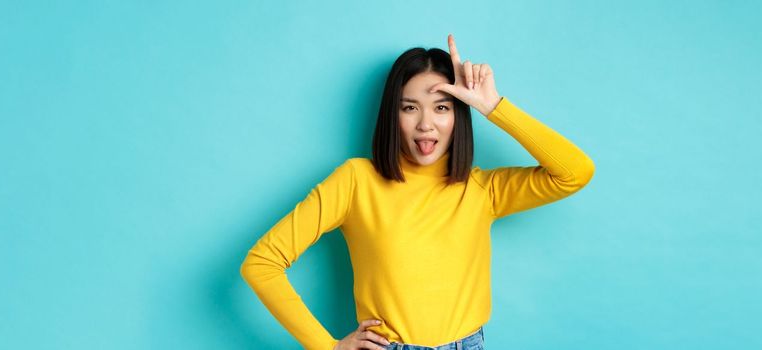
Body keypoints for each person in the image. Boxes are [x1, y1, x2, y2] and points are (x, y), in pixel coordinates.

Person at [240, 34, 595, 350]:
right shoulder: (355, 181)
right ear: (392, 115)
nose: (426, 124)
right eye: (410, 107)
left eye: (442, 107)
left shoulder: (483, 189)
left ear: (459, 115)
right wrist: (326, 346)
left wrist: (492, 106)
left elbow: (575, 172)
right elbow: (262, 263)